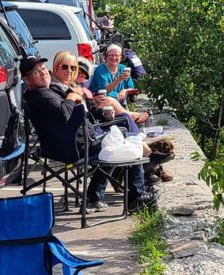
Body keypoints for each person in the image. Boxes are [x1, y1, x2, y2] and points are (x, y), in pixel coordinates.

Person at [21, 56, 153, 213]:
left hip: (71, 143)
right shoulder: (42, 95)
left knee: (114, 142)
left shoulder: (41, 93)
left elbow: (74, 111)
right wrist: (72, 96)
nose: (43, 73)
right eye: (37, 72)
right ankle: (136, 197)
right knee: (130, 144)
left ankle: (94, 197)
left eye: (43, 68)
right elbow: (64, 113)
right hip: (76, 147)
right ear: (27, 79)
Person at [90, 44, 149, 125]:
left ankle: (129, 118)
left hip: (118, 101)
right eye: (111, 55)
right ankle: (130, 115)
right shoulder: (100, 69)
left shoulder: (123, 68)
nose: (114, 58)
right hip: (100, 100)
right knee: (108, 100)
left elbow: (131, 87)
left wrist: (124, 91)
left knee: (114, 100)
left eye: (117, 55)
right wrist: (119, 79)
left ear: (121, 57)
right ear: (106, 56)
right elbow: (104, 90)